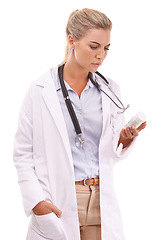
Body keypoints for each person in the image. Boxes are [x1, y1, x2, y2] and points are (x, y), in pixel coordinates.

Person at [13, 8, 146, 240]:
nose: (101, 56)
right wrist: (35, 202)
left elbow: (108, 154)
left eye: (106, 48)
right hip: (59, 199)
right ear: (72, 40)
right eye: (94, 46)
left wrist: (124, 141)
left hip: (100, 201)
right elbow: (23, 153)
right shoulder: (40, 91)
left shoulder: (110, 90)